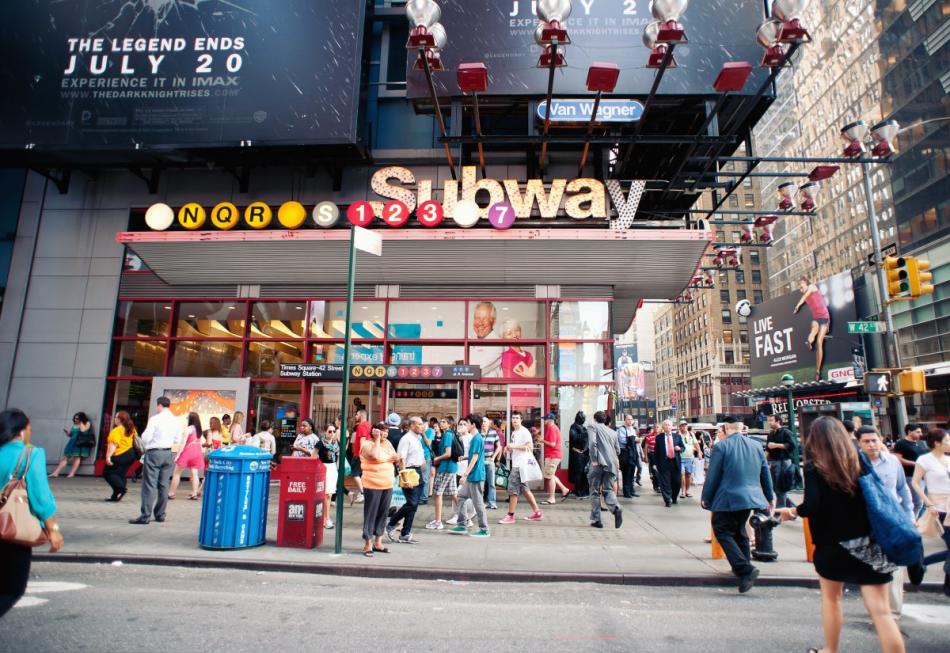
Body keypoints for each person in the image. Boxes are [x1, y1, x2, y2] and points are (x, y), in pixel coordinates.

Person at [777, 417, 905, 653]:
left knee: (832, 600)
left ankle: (830, 650)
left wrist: (792, 511)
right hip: (869, 544)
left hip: (832, 545)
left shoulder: (815, 466)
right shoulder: (860, 461)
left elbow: (812, 505)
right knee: (881, 611)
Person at [0, 409, 64, 619]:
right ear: (21, 431)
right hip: (12, 531)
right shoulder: (30, 453)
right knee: (12, 589)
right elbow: (40, 498)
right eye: (29, 428)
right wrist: (52, 529)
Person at [701, 416, 773, 593]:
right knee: (740, 531)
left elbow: (713, 475)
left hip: (727, 497)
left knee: (722, 530)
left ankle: (744, 568)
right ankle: (744, 569)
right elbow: (765, 473)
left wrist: (706, 497)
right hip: (750, 498)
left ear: (726, 427)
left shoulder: (721, 447)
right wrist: (769, 497)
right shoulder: (756, 446)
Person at [857, 425, 917, 614]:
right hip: (867, 522)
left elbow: (903, 490)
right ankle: (877, 609)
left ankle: (892, 611)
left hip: (893, 521)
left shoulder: (892, 462)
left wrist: (909, 517)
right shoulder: (853, 464)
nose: (872, 445)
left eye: (875, 440)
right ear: (859, 444)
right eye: (866, 441)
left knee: (895, 568)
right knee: (871, 567)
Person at [909, 428, 950, 597]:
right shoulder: (925, 460)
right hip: (938, 508)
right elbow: (915, 482)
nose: (949, 443)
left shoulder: (948, 459)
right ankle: (923, 563)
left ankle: (948, 587)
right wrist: (929, 504)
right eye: (947, 440)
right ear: (937, 443)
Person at [130, 397, 180, 525]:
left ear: (159, 405)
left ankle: (145, 515)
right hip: (168, 453)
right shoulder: (175, 420)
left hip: (154, 452)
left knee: (149, 485)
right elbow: (177, 438)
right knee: (163, 485)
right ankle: (160, 514)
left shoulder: (155, 419)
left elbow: (146, 437)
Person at [359, 422, 399, 557]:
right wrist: (376, 440)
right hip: (372, 484)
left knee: (383, 513)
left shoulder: (387, 443)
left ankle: (378, 542)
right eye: (382, 431)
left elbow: (395, 457)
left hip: (387, 483)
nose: (385, 434)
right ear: (374, 431)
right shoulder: (366, 444)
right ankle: (368, 543)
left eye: (386, 431)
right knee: (371, 514)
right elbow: (375, 456)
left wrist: (394, 458)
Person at [449, 414, 491, 538]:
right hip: (473, 475)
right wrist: (465, 457)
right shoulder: (475, 438)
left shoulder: (477, 438)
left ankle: (484, 529)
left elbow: (476, 457)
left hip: (476, 476)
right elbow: (474, 455)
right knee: (461, 496)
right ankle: (462, 524)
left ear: (473, 424)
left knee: (478, 503)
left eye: (467, 423)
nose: (465, 425)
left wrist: (465, 474)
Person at [499, 411, 544, 524]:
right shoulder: (514, 433)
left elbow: (529, 446)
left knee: (513, 488)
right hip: (517, 464)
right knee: (524, 489)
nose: (514, 420)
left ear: (521, 419)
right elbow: (517, 447)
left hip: (520, 465)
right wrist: (509, 448)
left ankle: (510, 515)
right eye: (513, 418)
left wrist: (513, 446)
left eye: (517, 418)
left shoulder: (524, 432)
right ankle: (537, 512)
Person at [387, 416, 426, 544]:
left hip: (418, 472)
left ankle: (405, 533)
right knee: (412, 503)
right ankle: (392, 522)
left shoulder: (418, 438)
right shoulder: (406, 439)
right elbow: (401, 460)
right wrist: (404, 477)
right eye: (420, 424)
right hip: (408, 471)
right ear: (413, 425)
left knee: (414, 506)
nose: (422, 426)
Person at [587, 411, 623, 529]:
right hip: (611, 464)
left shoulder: (592, 427)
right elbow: (618, 450)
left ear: (594, 418)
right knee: (608, 489)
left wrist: (594, 459)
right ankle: (615, 508)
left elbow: (592, 443)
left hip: (598, 463)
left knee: (594, 491)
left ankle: (597, 520)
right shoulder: (613, 432)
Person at [794, 276, 831, 381]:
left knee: (819, 342)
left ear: (806, 283)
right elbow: (804, 295)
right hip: (816, 318)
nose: (800, 286)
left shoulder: (812, 287)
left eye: (801, 283)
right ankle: (809, 342)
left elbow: (805, 295)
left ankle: (818, 370)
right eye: (799, 285)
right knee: (813, 330)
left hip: (824, 317)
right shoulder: (804, 293)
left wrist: (797, 306)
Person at [426, 416, 458, 530]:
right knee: (453, 493)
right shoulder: (448, 434)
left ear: (449, 424)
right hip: (451, 467)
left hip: (446, 467)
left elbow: (448, 453)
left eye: (444, 422)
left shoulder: (448, 434)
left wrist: (437, 459)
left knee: (438, 493)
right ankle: (465, 517)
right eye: (441, 421)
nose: (441, 423)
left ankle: (438, 522)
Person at [892, 422, 928, 518]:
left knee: (926, 503)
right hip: (911, 476)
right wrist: (915, 464)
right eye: (917, 432)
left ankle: (921, 523)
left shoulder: (921, 443)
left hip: (925, 476)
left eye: (920, 432)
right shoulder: (901, 443)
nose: (920, 434)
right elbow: (898, 459)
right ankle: (912, 523)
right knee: (918, 502)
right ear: (909, 432)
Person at [169, 412, 205, 501]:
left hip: (188, 452)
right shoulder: (199, 430)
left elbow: (183, 443)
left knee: (177, 473)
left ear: (190, 419)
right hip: (197, 452)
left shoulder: (188, 429)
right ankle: (194, 493)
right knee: (195, 474)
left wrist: (178, 455)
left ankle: (171, 493)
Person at [103, 411, 138, 502]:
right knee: (120, 474)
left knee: (108, 473)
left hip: (120, 454)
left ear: (119, 420)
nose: (114, 419)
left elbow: (113, 445)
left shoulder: (117, 430)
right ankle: (115, 495)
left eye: (115, 417)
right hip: (130, 454)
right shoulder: (131, 429)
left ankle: (121, 489)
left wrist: (108, 457)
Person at [50, 412, 95, 478]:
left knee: (76, 458)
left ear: (81, 418)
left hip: (79, 443)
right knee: (65, 458)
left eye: (77, 418)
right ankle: (56, 472)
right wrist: (67, 433)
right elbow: (71, 434)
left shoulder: (86, 423)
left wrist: (81, 423)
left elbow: (83, 431)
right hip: (72, 442)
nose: (75, 419)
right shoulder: (75, 424)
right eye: (75, 418)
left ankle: (72, 473)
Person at [766, 414, 796, 508]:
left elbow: (792, 446)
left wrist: (776, 445)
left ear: (778, 421)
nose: (769, 422)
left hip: (783, 462)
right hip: (773, 462)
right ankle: (791, 507)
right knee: (775, 487)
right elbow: (768, 450)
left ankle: (779, 512)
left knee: (780, 487)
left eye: (771, 420)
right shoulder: (771, 434)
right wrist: (763, 462)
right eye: (769, 420)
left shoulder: (786, 432)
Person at [314, 424, 340, 529]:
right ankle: (326, 518)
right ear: (325, 432)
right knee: (326, 494)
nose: (332, 433)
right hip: (323, 468)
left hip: (333, 468)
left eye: (334, 431)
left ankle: (325, 517)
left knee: (329, 494)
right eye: (330, 431)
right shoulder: (320, 443)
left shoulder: (335, 443)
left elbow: (338, 455)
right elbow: (313, 455)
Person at [653, 420, 684, 507]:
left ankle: (674, 498)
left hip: (675, 462)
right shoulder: (659, 437)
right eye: (665, 425)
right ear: (663, 427)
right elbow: (656, 451)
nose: (667, 426)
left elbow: (683, 447)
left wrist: (680, 449)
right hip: (664, 462)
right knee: (665, 482)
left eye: (668, 425)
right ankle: (667, 500)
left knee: (677, 482)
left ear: (672, 426)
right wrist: (655, 463)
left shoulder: (677, 436)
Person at [541, 412, 569, 504]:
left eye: (545, 419)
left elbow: (552, 444)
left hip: (553, 455)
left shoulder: (552, 429)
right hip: (553, 455)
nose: (544, 420)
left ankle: (552, 498)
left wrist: (542, 441)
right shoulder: (552, 428)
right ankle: (564, 489)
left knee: (549, 476)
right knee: (550, 475)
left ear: (549, 420)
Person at [469, 301, 502, 377]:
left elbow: (475, 371)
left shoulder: (497, 345)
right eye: (477, 318)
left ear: (493, 321)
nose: (480, 323)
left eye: (485, 319)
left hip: (485, 388)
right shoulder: (470, 341)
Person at [348, 409, 371, 505]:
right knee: (361, 475)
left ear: (361, 415)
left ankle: (362, 493)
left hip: (359, 454)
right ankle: (362, 493)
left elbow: (362, 441)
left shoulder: (361, 426)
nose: (355, 416)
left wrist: (361, 454)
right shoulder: (369, 425)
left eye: (357, 414)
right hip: (365, 455)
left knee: (355, 474)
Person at [568, 411, 590, 499]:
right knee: (578, 473)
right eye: (583, 418)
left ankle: (584, 490)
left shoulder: (583, 428)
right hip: (577, 453)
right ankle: (578, 491)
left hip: (584, 453)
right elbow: (574, 438)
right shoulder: (573, 427)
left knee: (585, 473)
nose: (584, 419)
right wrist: (585, 433)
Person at [617, 415, 640, 498]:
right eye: (628, 419)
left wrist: (634, 440)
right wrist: (634, 439)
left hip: (633, 453)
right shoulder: (622, 429)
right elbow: (622, 440)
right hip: (625, 453)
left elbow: (634, 440)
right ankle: (626, 492)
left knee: (632, 472)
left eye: (631, 419)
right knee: (626, 473)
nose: (630, 421)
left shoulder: (633, 429)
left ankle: (632, 490)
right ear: (625, 421)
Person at [678, 420, 699, 499]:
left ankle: (687, 491)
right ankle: (683, 491)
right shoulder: (677, 435)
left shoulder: (691, 434)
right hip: (680, 458)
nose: (684, 427)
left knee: (689, 475)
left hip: (689, 458)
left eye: (685, 425)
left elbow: (696, 444)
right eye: (682, 426)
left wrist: (699, 452)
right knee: (682, 475)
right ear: (679, 427)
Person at [483, 417, 500, 509]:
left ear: (489, 423)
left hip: (489, 459)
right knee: (480, 482)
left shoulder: (493, 433)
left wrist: (494, 457)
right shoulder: (478, 433)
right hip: (480, 460)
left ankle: (492, 502)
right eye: (482, 422)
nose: (483, 423)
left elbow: (499, 446)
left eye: (485, 422)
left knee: (491, 483)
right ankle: (479, 502)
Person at [642, 424, 659, 492]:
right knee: (655, 471)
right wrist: (645, 456)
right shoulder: (649, 436)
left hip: (660, 455)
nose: (656, 428)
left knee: (660, 471)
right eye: (655, 427)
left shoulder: (662, 435)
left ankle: (658, 484)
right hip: (652, 455)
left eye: (657, 427)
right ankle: (656, 485)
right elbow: (646, 447)